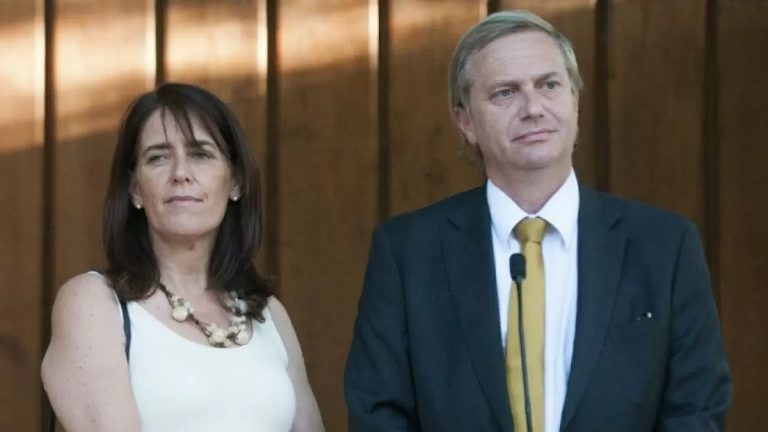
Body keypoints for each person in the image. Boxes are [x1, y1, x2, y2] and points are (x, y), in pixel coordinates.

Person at [345, 10, 731, 432]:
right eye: (506, 92)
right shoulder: (407, 254)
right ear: (466, 121)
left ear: (575, 101)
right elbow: (378, 412)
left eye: (549, 85)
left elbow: (696, 410)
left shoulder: (664, 246)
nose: (533, 108)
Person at [42, 83, 324, 431]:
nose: (180, 173)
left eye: (201, 154)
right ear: (135, 189)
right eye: (158, 157)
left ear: (235, 182)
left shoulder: (269, 315)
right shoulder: (94, 302)